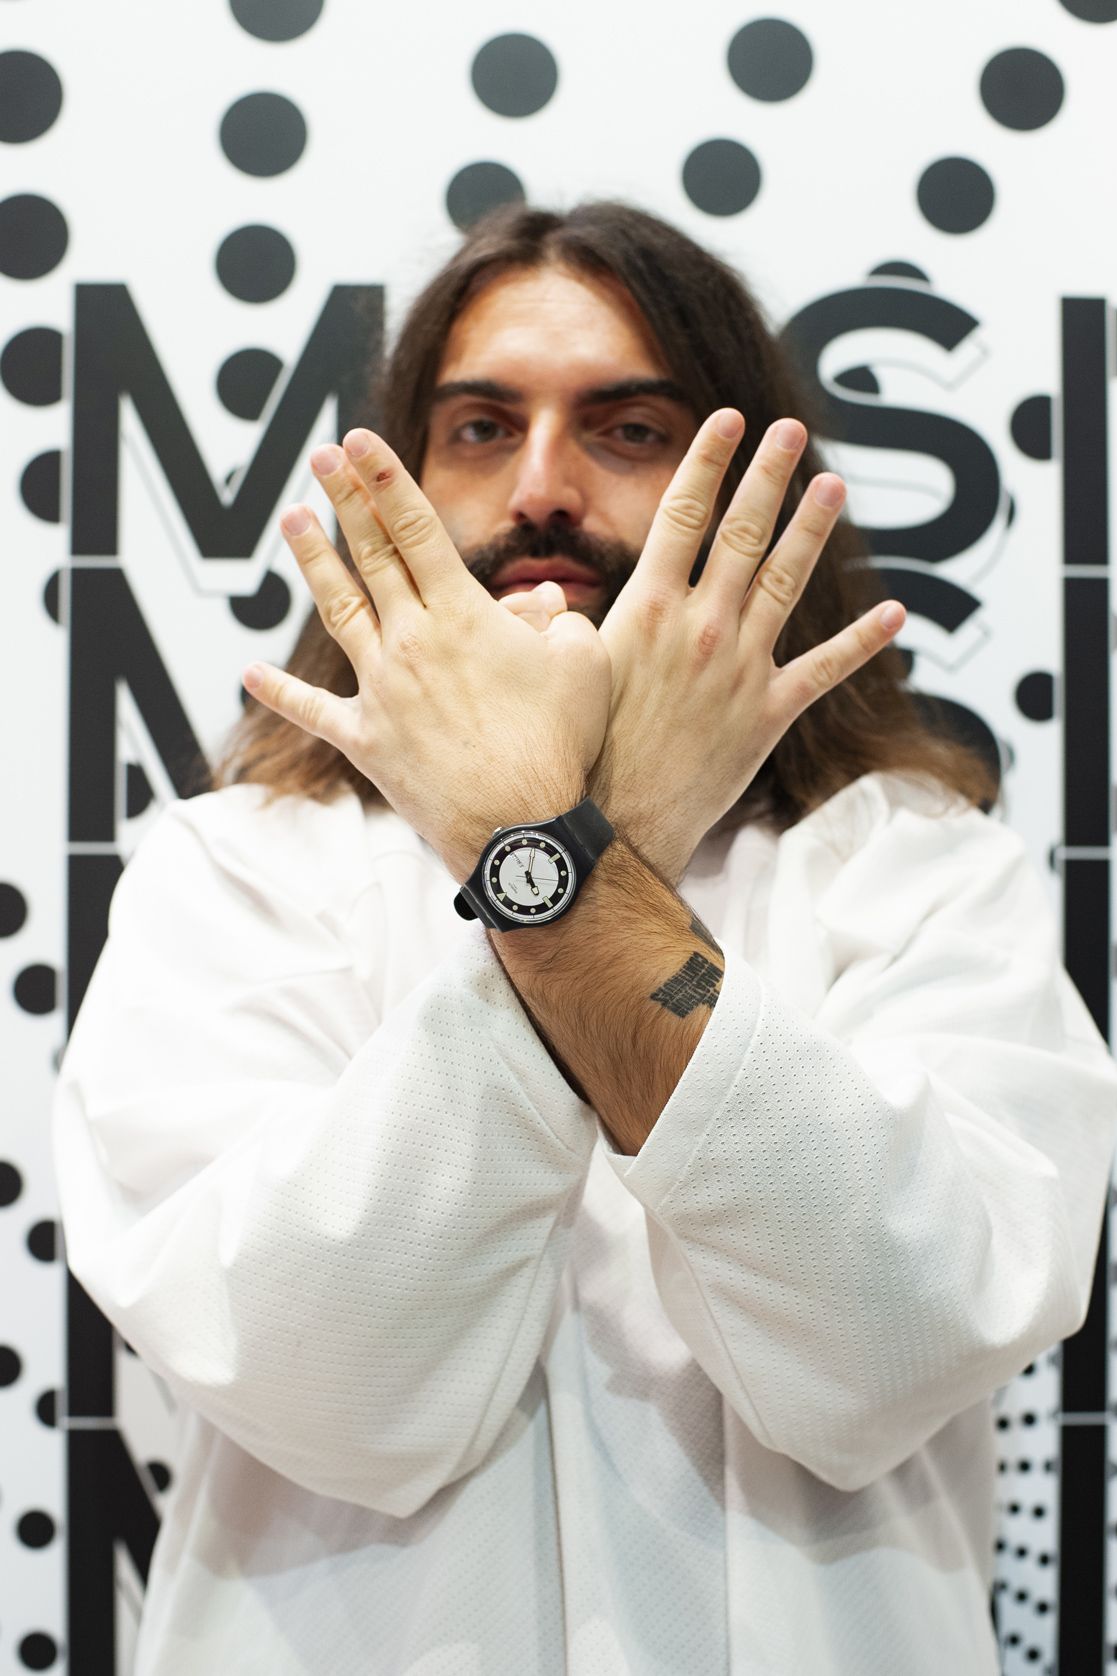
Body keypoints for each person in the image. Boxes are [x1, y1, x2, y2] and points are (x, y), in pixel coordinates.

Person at [52, 200, 1117, 1676]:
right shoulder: (235, 870)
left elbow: (908, 1339)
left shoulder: (918, 869)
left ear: (742, 490)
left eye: (627, 430)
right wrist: (604, 844)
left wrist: (556, 854)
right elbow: (310, 1374)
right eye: (481, 429)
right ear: (401, 481)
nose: (543, 490)